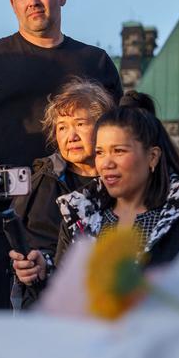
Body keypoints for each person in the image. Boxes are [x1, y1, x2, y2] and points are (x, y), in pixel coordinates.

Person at [0, 0, 122, 309]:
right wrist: (4, 186)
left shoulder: (96, 61)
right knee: (16, 315)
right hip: (14, 214)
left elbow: (121, 135)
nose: (33, 1)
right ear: (13, 4)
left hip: (90, 206)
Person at [37, 93, 179, 269]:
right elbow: (65, 281)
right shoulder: (79, 212)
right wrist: (41, 271)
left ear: (152, 156)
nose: (106, 163)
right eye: (100, 152)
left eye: (118, 151)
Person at [7, 78, 115, 308]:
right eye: (62, 127)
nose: (71, 136)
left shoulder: (123, 181)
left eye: (80, 124)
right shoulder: (44, 183)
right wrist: (36, 265)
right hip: (52, 305)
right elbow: (36, 248)